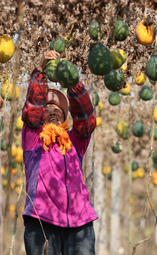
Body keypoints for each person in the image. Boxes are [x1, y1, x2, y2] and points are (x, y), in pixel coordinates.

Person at [22, 50, 97, 255]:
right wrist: (40, 73)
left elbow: (87, 120)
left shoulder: (75, 141)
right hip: (41, 221)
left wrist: (73, 81)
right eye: (47, 109)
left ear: (65, 116)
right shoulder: (33, 139)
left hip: (79, 222)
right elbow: (32, 111)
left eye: (57, 109)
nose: (52, 111)